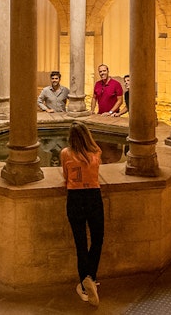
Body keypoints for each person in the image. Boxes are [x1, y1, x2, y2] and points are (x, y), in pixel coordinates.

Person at [60, 121, 103, 305]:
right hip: (93, 195)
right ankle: (90, 277)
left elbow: (66, 176)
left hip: (75, 198)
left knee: (80, 243)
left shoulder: (65, 153)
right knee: (97, 238)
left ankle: (85, 285)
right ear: (87, 135)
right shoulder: (96, 152)